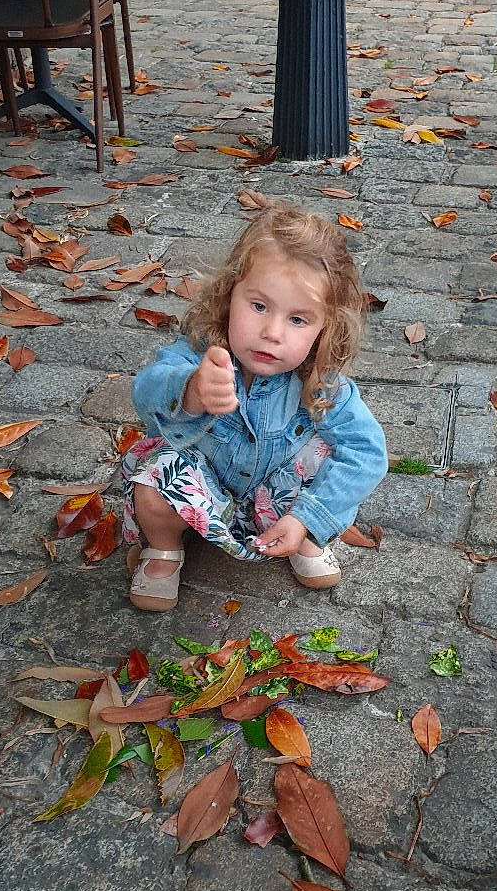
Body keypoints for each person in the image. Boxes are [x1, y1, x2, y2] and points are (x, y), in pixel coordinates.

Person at [121, 203, 388, 611]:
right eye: (259, 306)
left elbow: (368, 452)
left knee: (329, 451)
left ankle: (304, 536)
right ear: (230, 296)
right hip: (205, 490)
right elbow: (145, 392)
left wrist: (307, 517)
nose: (271, 333)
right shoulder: (200, 355)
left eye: (298, 320)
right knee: (155, 472)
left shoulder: (323, 384)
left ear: (325, 329)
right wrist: (191, 389)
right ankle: (164, 548)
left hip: (278, 502)